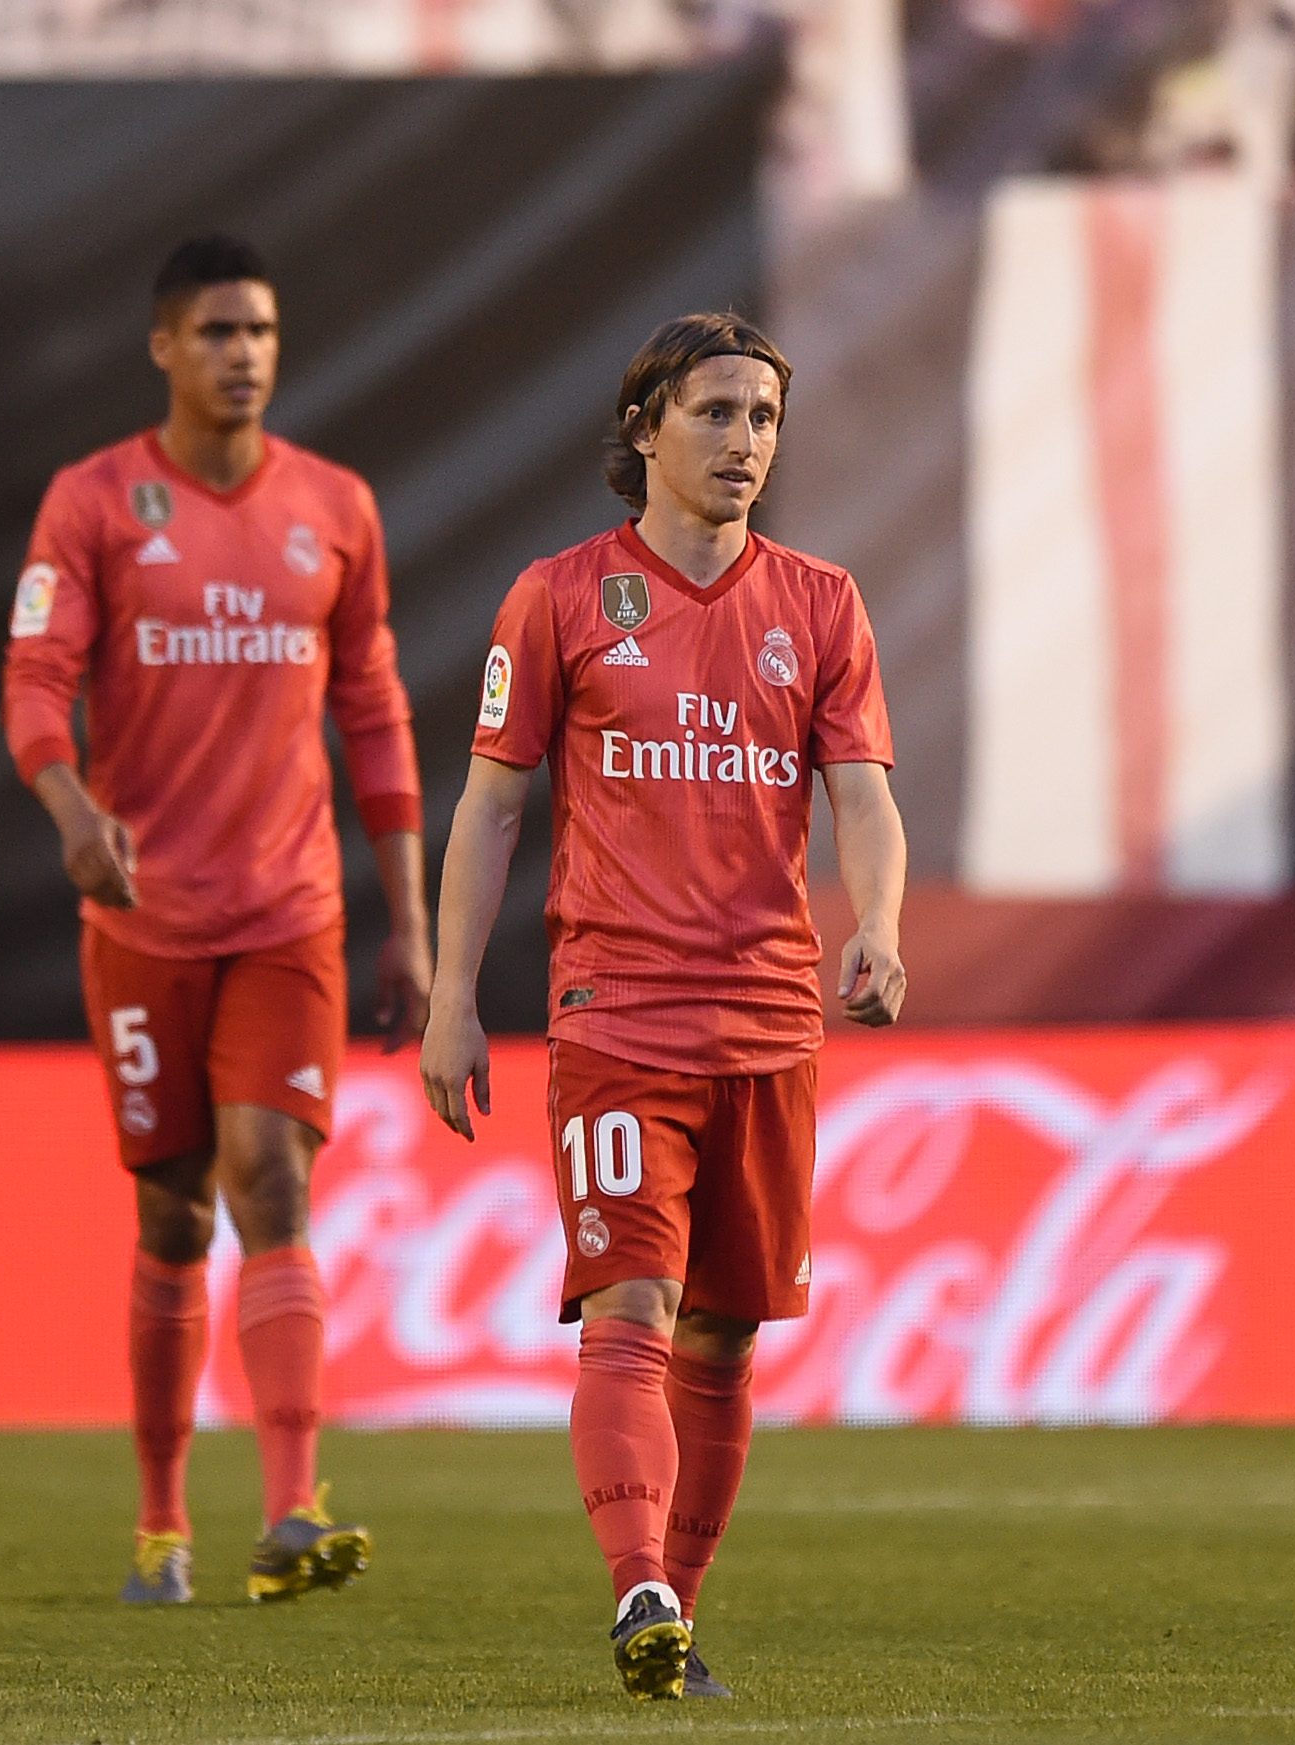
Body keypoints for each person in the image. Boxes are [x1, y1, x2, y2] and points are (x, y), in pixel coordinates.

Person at [419, 312, 907, 1702]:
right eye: (716, 414)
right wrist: (454, 996)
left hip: (769, 1017)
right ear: (644, 427)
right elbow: (493, 805)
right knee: (631, 1297)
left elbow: (862, 795)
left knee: (728, 1331)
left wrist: (875, 923)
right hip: (617, 1008)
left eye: (762, 417)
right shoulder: (560, 597)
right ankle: (638, 1575)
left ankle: (666, 1621)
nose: (746, 443)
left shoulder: (821, 604)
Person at [2, 234, 431, 1607]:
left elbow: (374, 715)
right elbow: (31, 683)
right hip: (143, 921)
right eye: (218, 332)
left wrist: (409, 920)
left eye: (261, 331)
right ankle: (160, 1525)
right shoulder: (94, 503)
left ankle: (297, 1508)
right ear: (164, 347)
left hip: (289, 911)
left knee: (276, 1178)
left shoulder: (337, 509)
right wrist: (72, 810)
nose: (245, 353)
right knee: (176, 1217)